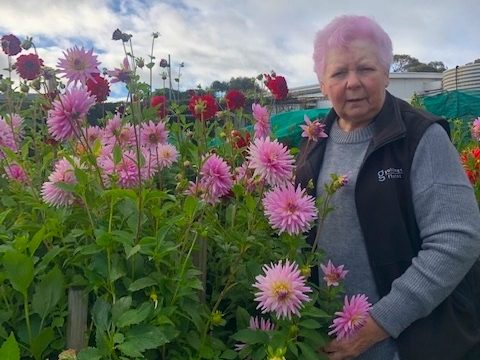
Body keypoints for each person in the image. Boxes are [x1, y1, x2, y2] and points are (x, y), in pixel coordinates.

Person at [295, 15, 480, 360]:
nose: (352, 83)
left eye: (365, 68)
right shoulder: (314, 140)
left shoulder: (420, 137)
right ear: (322, 83)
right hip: (331, 342)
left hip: (411, 344)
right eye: (338, 73)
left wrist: (378, 325)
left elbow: (457, 241)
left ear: (385, 72)